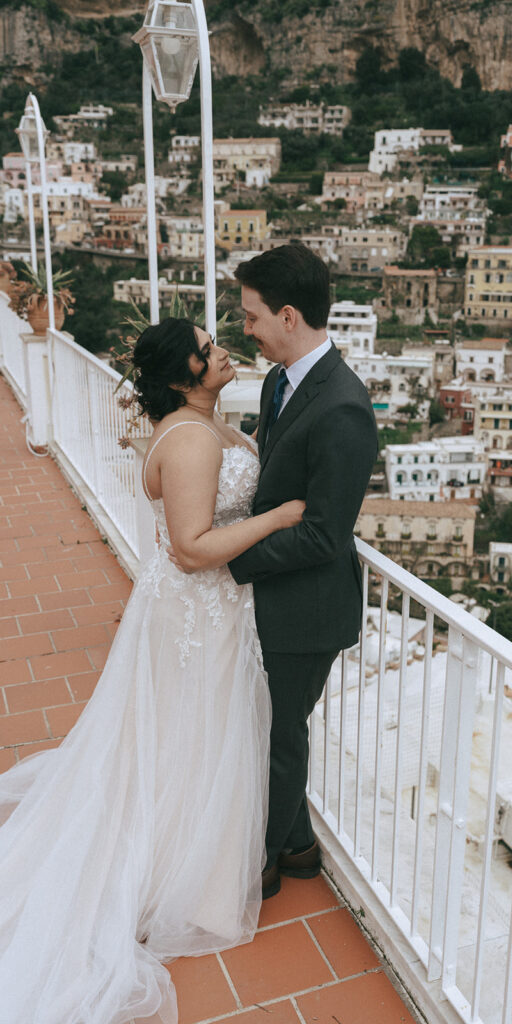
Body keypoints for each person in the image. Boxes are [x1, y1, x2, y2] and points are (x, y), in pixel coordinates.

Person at [0, 317, 303, 1024]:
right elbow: (195, 548)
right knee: (193, 735)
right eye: (207, 351)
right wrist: (280, 515)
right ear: (180, 378)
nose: (221, 350)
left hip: (196, 611)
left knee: (181, 733)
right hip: (201, 607)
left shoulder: (196, 424)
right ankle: (180, 872)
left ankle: (186, 846)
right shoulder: (194, 438)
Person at [229, 243, 378, 898]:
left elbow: (323, 534)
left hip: (308, 607)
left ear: (288, 316)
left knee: (280, 736)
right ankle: (297, 847)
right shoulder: (277, 380)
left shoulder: (344, 407)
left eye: (252, 316)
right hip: (276, 594)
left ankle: (260, 867)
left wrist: (232, 556)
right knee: (272, 725)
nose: (246, 329)